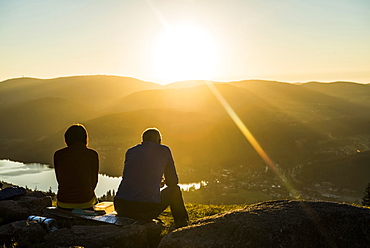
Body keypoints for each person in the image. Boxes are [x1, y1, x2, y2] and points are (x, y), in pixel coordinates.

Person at [114, 128, 189, 228]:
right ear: (159, 141)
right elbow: (173, 182)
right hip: (146, 209)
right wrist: (162, 180)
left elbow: (134, 177)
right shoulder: (164, 150)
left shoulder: (131, 151)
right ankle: (182, 223)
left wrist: (156, 181)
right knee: (175, 190)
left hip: (121, 207)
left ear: (143, 141)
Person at [54, 124, 99, 210]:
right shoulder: (92, 154)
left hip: (63, 202)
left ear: (67, 139)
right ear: (85, 138)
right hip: (86, 202)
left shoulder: (58, 154)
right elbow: (94, 182)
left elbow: (59, 179)